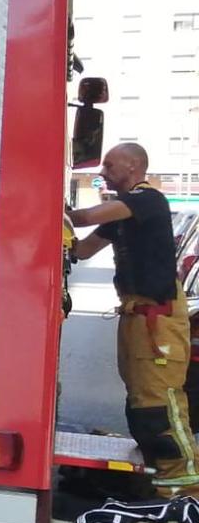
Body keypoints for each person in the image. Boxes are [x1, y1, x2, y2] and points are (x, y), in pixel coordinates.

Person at [69, 143, 199, 491]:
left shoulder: (146, 201)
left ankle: (184, 492)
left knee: (158, 405)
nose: (102, 173)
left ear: (133, 166)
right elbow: (81, 249)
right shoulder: (123, 216)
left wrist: (49, 204)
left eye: (109, 166)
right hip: (136, 318)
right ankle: (160, 478)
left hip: (156, 321)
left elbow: (84, 219)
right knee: (140, 400)